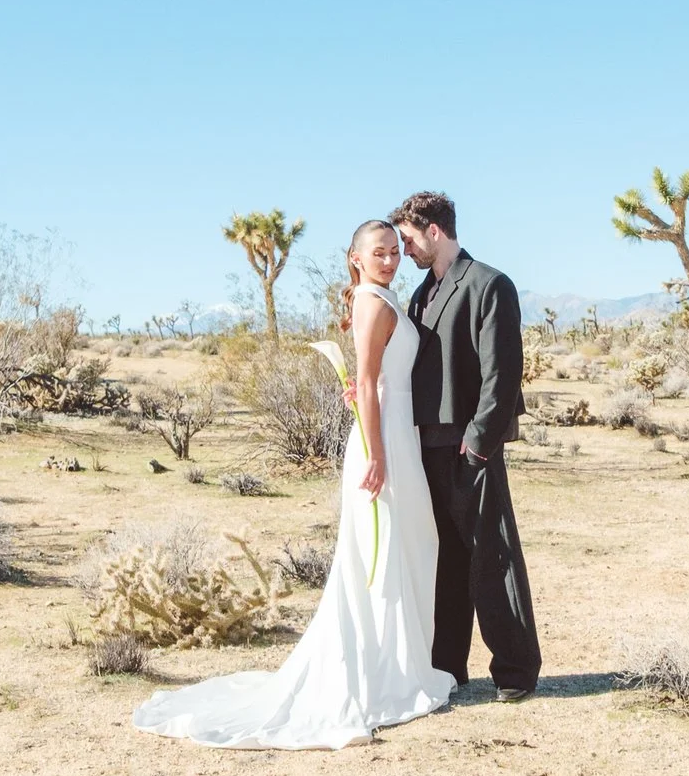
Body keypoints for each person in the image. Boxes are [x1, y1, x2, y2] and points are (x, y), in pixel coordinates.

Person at [131, 220, 452, 749]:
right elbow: (369, 381)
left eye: (396, 251)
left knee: (411, 544)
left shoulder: (380, 299)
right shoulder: (373, 302)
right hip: (384, 443)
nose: (391, 260)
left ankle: (403, 668)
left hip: (398, 433)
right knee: (384, 551)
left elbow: (369, 381)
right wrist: (375, 454)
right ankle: (384, 677)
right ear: (355, 258)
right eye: (380, 252)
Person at [388, 191, 541, 701]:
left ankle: (517, 672)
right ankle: (446, 667)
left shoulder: (489, 284)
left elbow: (503, 372)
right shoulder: (418, 295)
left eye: (408, 239)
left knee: (491, 557)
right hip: (424, 447)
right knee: (444, 561)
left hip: (468, 446)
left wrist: (478, 445)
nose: (403, 250)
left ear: (434, 230)